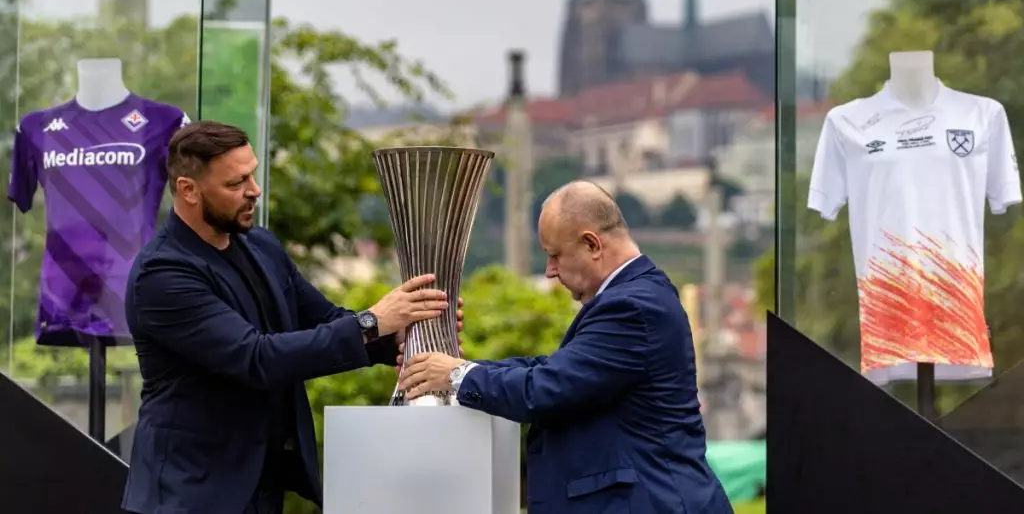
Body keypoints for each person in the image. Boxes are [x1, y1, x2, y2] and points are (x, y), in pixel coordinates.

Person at [121, 120, 462, 514]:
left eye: (252, 174)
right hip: (188, 493)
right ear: (188, 190)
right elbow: (257, 358)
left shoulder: (261, 245)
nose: (254, 190)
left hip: (263, 486)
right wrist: (373, 321)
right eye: (236, 183)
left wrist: (404, 336)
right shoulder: (162, 274)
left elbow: (325, 320)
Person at [398, 179, 733, 514]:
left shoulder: (632, 306)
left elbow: (546, 389)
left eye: (555, 255)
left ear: (592, 244)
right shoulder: (638, 296)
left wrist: (458, 375)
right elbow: (552, 368)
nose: (549, 272)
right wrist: (460, 368)